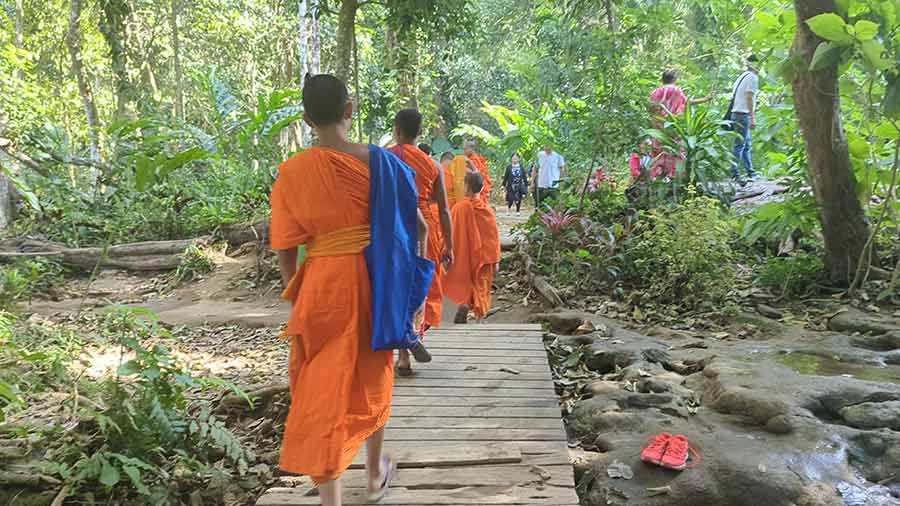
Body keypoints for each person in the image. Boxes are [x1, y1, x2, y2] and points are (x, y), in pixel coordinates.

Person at [271, 74, 431, 506]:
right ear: (350, 109)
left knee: (320, 389)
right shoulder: (387, 164)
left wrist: (295, 294)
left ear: (306, 120)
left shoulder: (292, 173)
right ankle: (375, 472)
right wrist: (409, 291)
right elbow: (419, 229)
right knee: (373, 375)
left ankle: (332, 498)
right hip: (377, 287)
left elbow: (286, 247)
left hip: (322, 288)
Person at [389, 109, 454, 376]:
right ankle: (412, 339)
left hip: (393, 224)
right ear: (420, 132)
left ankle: (403, 352)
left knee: (397, 285)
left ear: (396, 129)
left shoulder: (386, 158)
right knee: (421, 285)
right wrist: (450, 244)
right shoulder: (432, 165)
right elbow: (445, 211)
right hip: (426, 224)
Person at [445, 171, 501, 324]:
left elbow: (451, 232)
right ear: (482, 188)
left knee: (460, 284)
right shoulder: (487, 211)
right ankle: (479, 319)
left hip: (463, 256)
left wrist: (447, 250)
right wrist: (496, 260)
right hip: (483, 258)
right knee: (481, 287)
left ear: (467, 187)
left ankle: (462, 306)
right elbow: (493, 238)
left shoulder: (459, 208)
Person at [649, 69, 713, 179]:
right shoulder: (676, 90)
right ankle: (673, 176)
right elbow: (687, 103)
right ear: (674, 79)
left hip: (658, 127)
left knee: (659, 151)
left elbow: (651, 108)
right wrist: (705, 99)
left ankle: (658, 176)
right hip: (673, 125)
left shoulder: (655, 92)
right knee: (674, 150)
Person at [729, 55, 760, 183]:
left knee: (746, 144)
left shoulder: (742, 77)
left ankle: (750, 172)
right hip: (743, 114)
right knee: (740, 145)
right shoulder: (752, 78)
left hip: (735, 113)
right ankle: (735, 174)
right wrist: (753, 117)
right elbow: (749, 97)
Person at [463, 140, 492, 205]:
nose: (464, 151)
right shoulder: (470, 159)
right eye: (463, 149)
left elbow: (477, 175)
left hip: (477, 189)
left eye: (465, 149)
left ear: (471, 149)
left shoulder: (474, 160)